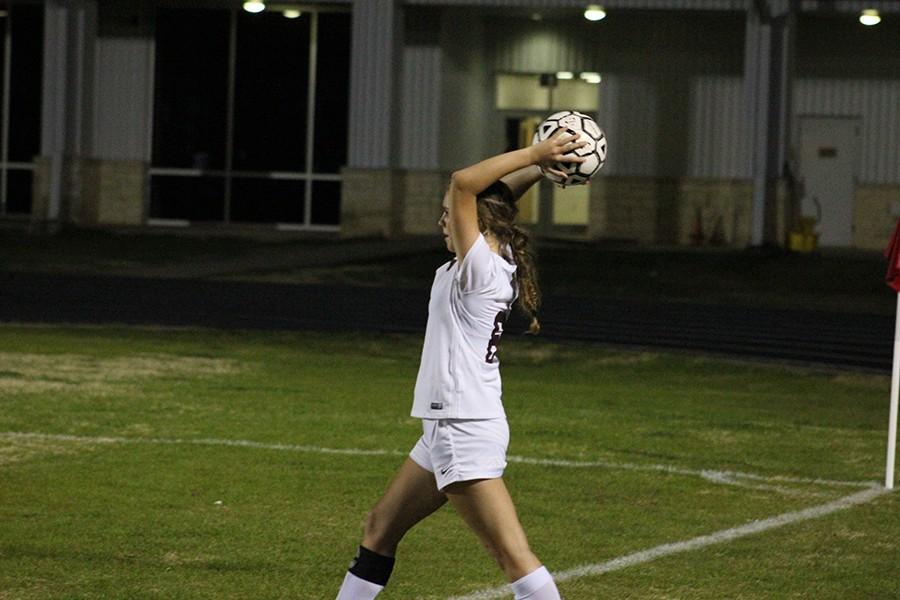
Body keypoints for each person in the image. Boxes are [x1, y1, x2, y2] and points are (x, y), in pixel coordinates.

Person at [335, 131, 586, 600]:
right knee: (379, 528)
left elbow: (465, 183)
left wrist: (535, 152)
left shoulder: (479, 269)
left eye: (448, 214)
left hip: (462, 426)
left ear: (474, 221)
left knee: (512, 557)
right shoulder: (497, 255)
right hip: (449, 424)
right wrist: (539, 171)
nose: (442, 221)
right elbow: (495, 197)